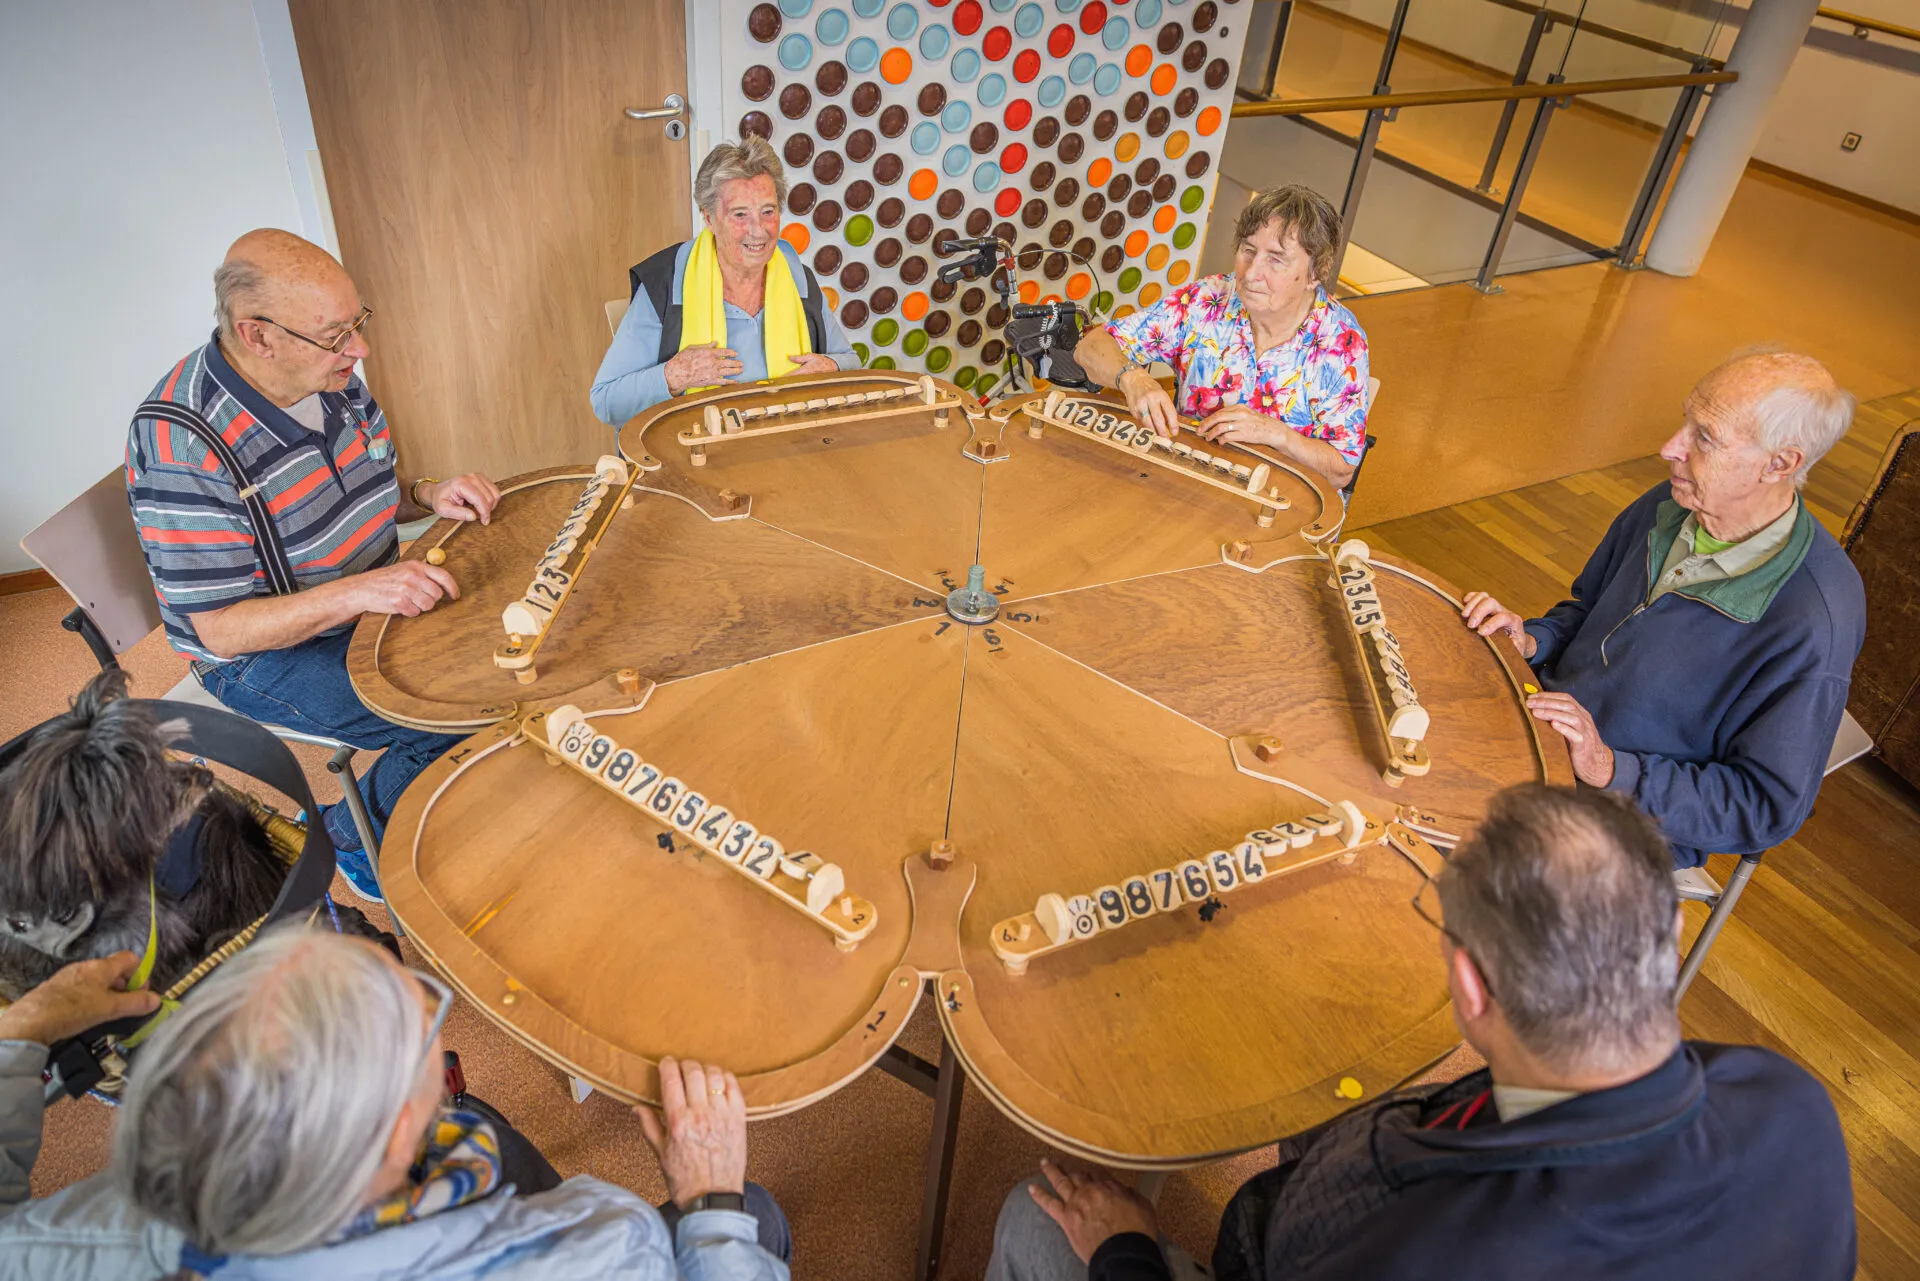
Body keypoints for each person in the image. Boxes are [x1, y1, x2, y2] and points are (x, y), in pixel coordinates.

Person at [985, 785, 1857, 1281]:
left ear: (1471, 988)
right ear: (1660, 939)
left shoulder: (1417, 1248)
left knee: (1030, 1222)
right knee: (1317, 1064)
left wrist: (1125, 1248)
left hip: (1294, 1249)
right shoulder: (1790, 1104)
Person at [0, 926, 792, 1278]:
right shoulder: (608, 1253)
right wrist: (708, 1195)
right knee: (760, 1211)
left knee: (484, 1129)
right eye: (412, 1020)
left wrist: (20, 1031)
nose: (423, 1009)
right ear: (397, 1137)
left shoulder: (44, 1248)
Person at [126, 229, 501, 901]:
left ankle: (419, 802)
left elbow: (373, 475)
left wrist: (425, 492)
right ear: (257, 335)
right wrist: (364, 591)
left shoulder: (332, 382)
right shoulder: (185, 443)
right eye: (336, 336)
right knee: (465, 710)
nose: (358, 350)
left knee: (502, 652)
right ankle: (346, 836)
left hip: (364, 598)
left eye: (358, 324)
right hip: (263, 655)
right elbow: (221, 632)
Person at [1461, 350, 1865, 869]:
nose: (1670, 448)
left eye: (1705, 437)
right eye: (1686, 422)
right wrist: (1532, 640)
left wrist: (1608, 767)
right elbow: (1587, 610)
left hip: (1626, 818)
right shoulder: (1674, 502)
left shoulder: (1814, 614)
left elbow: (1763, 808)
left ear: (1780, 463)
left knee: (1441, 856)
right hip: (1539, 731)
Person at [1073, 184, 1369, 490]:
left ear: (1316, 274)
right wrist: (1133, 379)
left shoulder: (1342, 344)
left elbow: (1340, 470)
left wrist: (1276, 434)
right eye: (1248, 251)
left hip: (1277, 504)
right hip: (1186, 481)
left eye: (1276, 260)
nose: (1252, 273)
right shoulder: (1206, 301)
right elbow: (1089, 347)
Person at [591, 136, 859, 424]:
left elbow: (852, 365)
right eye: (740, 214)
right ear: (709, 218)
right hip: (696, 453)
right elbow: (606, 400)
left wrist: (829, 367)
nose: (758, 231)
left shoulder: (796, 277)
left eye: (768, 212)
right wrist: (676, 375)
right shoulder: (667, 286)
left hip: (787, 442)